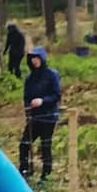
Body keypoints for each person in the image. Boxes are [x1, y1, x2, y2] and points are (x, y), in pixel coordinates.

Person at [19, 47, 61, 181]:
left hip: (48, 116)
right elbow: (26, 96)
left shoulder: (51, 74)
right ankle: (24, 169)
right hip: (34, 117)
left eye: (37, 58)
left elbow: (56, 95)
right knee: (25, 143)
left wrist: (42, 101)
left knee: (45, 145)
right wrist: (28, 108)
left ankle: (46, 173)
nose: (34, 61)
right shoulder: (30, 78)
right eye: (32, 59)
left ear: (42, 59)